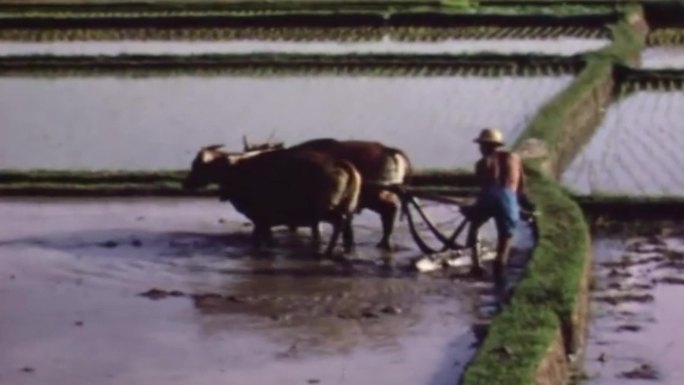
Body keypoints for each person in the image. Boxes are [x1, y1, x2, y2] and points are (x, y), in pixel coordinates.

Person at [461, 128, 530, 285]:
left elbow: (483, 189)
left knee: (474, 226)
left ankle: (477, 265)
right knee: (504, 243)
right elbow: (521, 185)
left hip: (489, 198)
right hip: (509, 200)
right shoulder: (514, 158)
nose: (479, 149)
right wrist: (519, 204)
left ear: (486, 146)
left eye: (481, 145)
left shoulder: (481, 164)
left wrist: (469, 209)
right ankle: (499, 280)